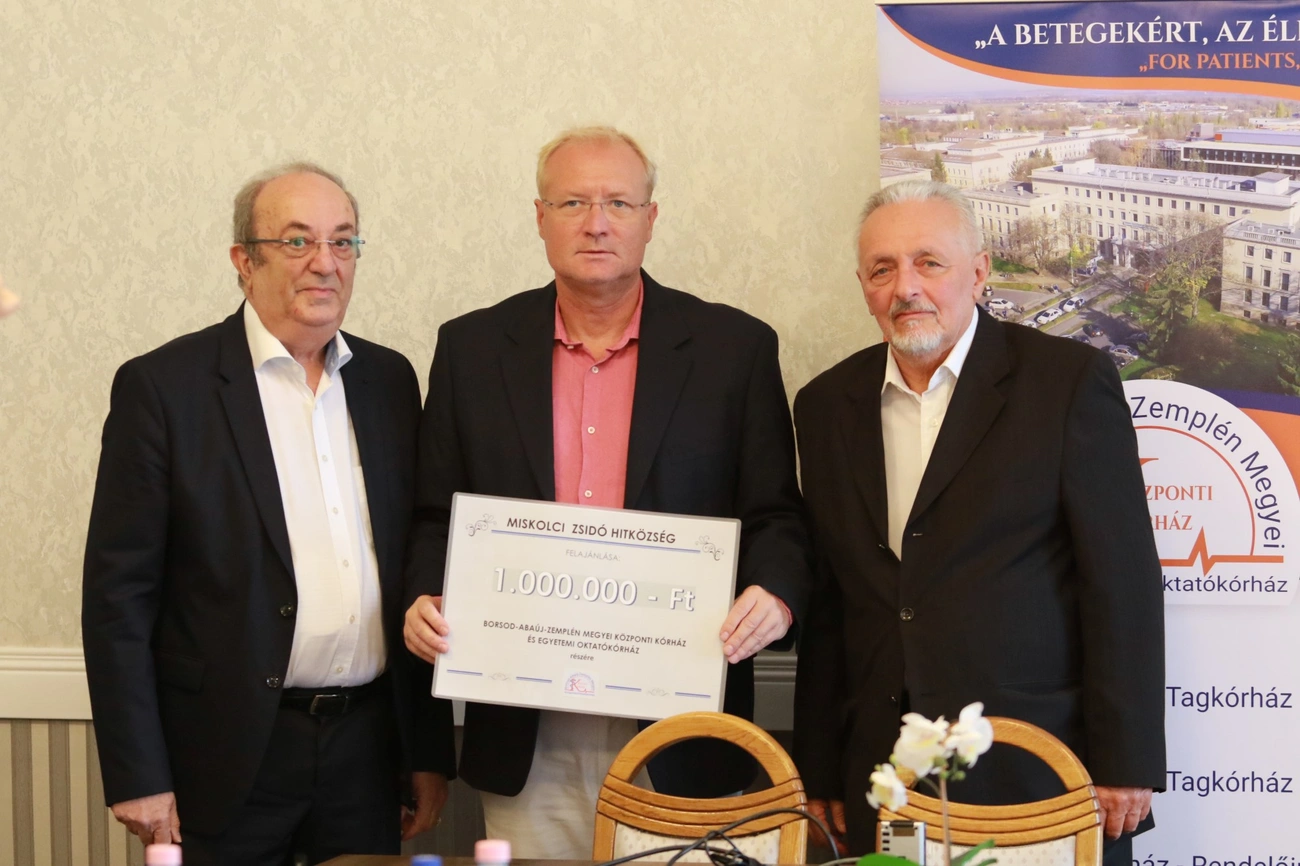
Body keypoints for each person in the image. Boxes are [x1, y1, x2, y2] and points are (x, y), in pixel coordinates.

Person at [402, 126, 812, 858]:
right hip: (525, 730)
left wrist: (776, 595)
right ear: (539, 217)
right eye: (573, 203)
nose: (596, 223)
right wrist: (421, 598)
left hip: (683, 731)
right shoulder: (471, 349)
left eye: (618, 203)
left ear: (651, 219)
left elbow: (776, 515)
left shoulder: (735, 350)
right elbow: (437, 516)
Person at [82, 163, 450, 865]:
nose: (325, 263)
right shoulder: (164, 389)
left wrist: (426, 753)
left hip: (367, 753)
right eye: (297, 241)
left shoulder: (389, 381)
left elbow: (416, 564)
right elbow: (118, 598)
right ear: (243, 262)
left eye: (343, 241)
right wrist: (138, 773)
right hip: (225, 753)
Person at [791, 180, 1165, 859]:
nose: (906, 287)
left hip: (1040, 768)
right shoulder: (823, 406)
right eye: (882, 269)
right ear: (863, 285)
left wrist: (1126, 760)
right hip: (881, 776)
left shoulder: (1066, 383)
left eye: (929, 262)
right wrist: (819, 766)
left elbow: (1122, 584)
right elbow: (829, 604)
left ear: (980, 271)